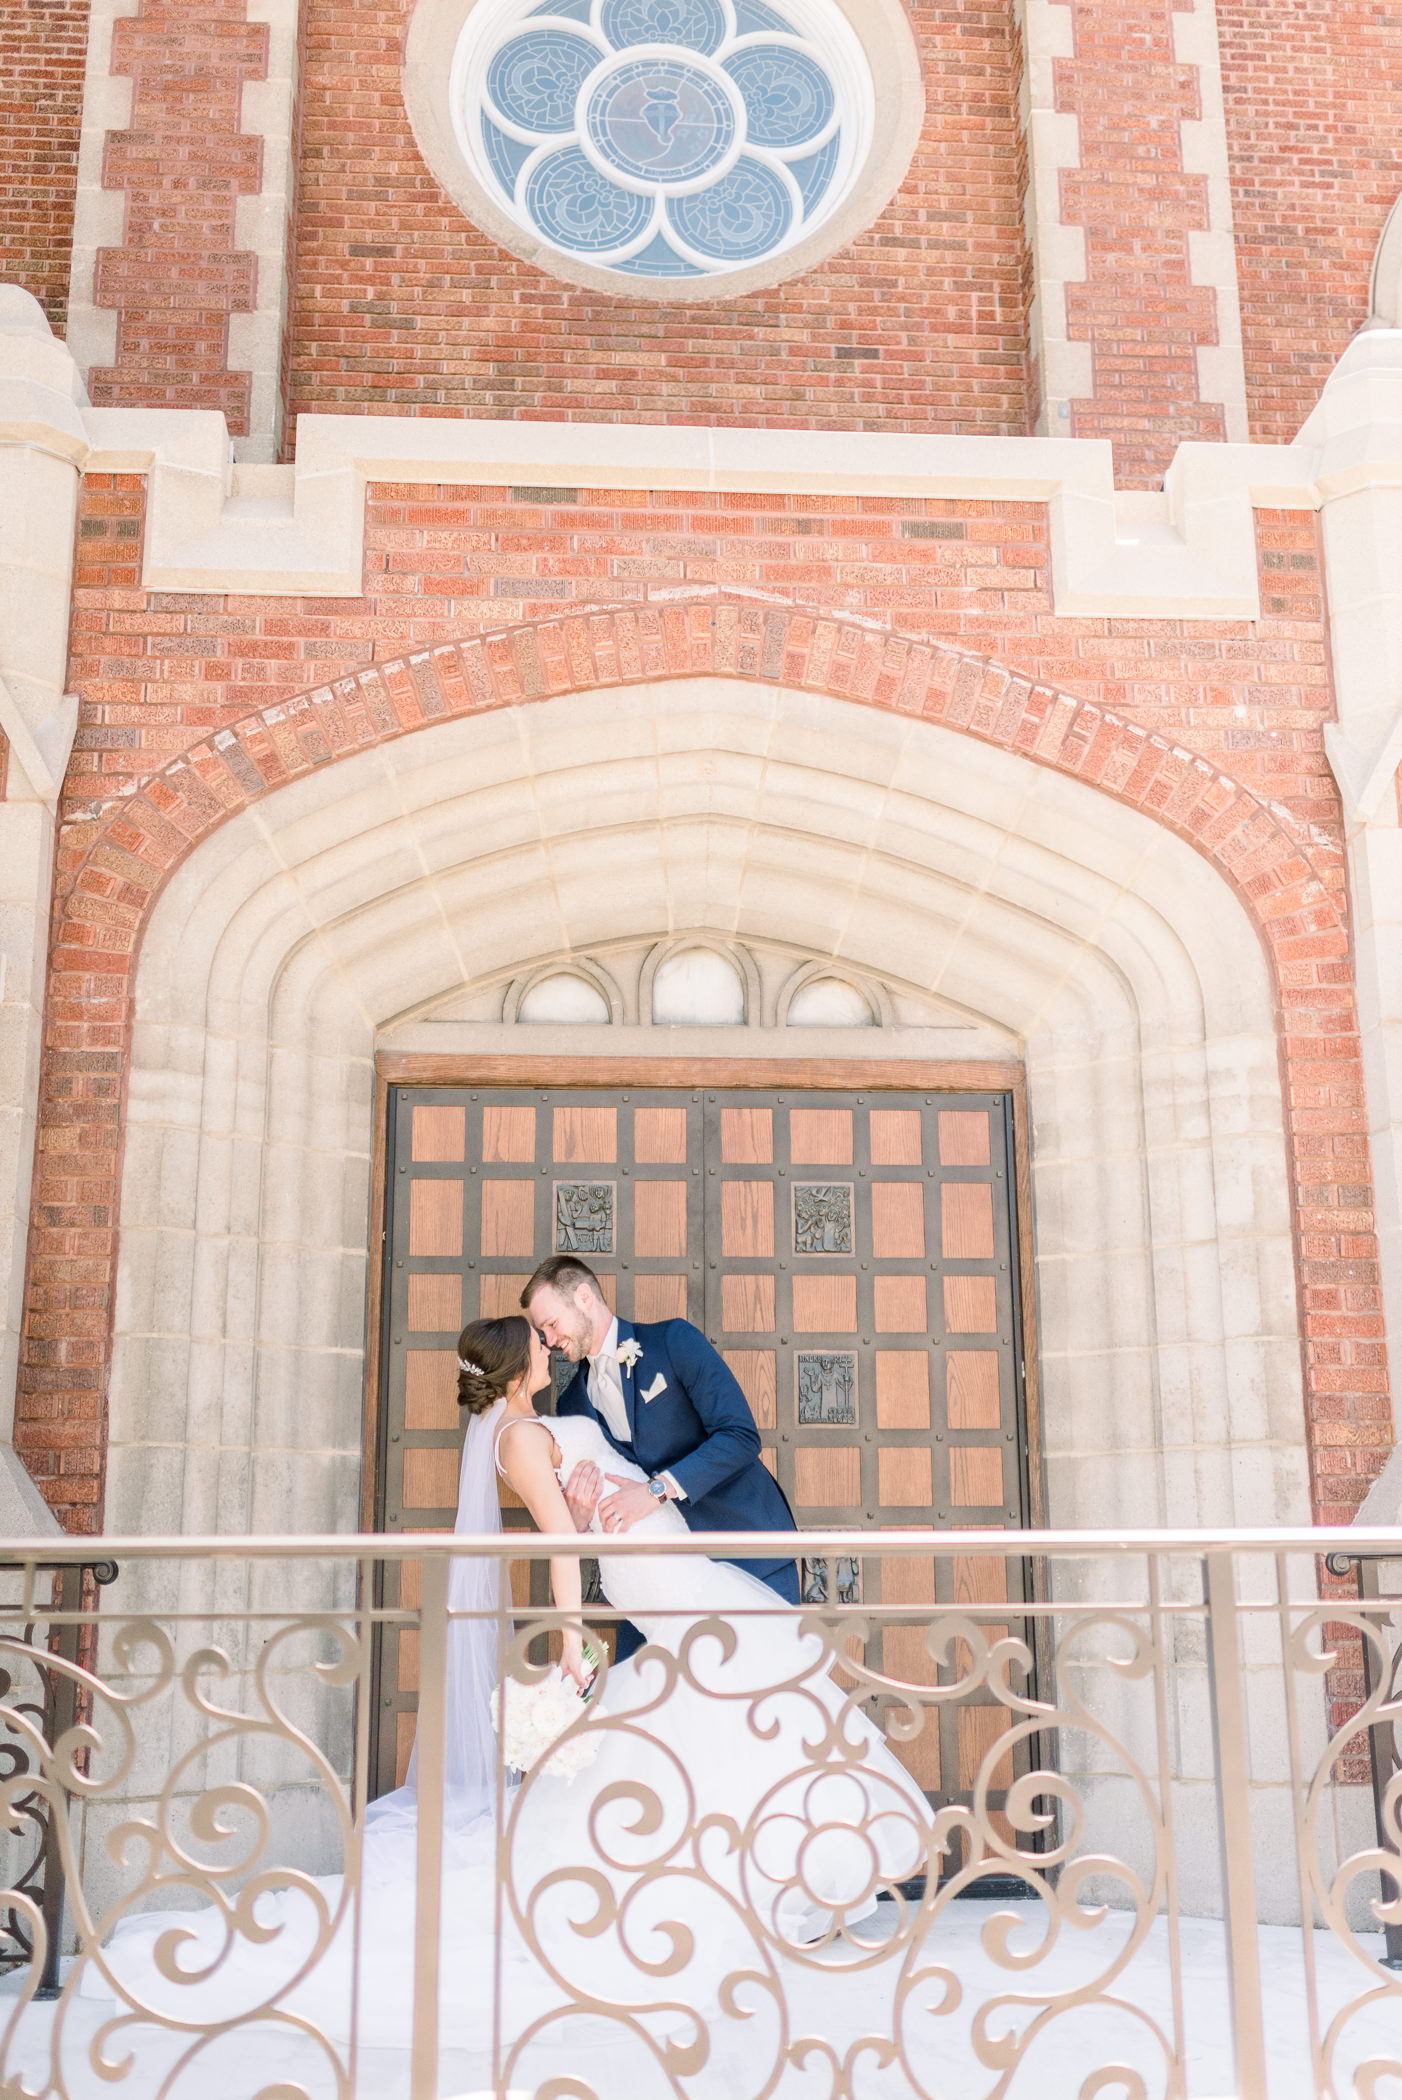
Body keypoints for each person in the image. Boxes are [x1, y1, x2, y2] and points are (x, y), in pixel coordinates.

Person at [74, 1315, 933, 2097]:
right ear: (518, 1362)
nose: (550, 1343)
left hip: (672, 1556)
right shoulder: (516, 1435)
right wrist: (568, 1631)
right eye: (538, 1337)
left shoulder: (537, 1414)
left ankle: (779, 1843)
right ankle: (779, 1854)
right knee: (749, 1668)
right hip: (650, 1569)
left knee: (732, 1681)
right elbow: (563, 1535)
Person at [521, 1254, 800, 1660]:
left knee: (776, 1695)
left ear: (584, 1297)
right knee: (652, 1710)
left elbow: (740, 1436)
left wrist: (656, 1490)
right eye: (542, 1333)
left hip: (746, 1553)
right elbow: (590, 1504)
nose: (548, 1340)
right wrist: (578, 1522)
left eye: (550, 1324)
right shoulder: (572, 1404)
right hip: (655, 1587)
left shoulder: (672, 1341)